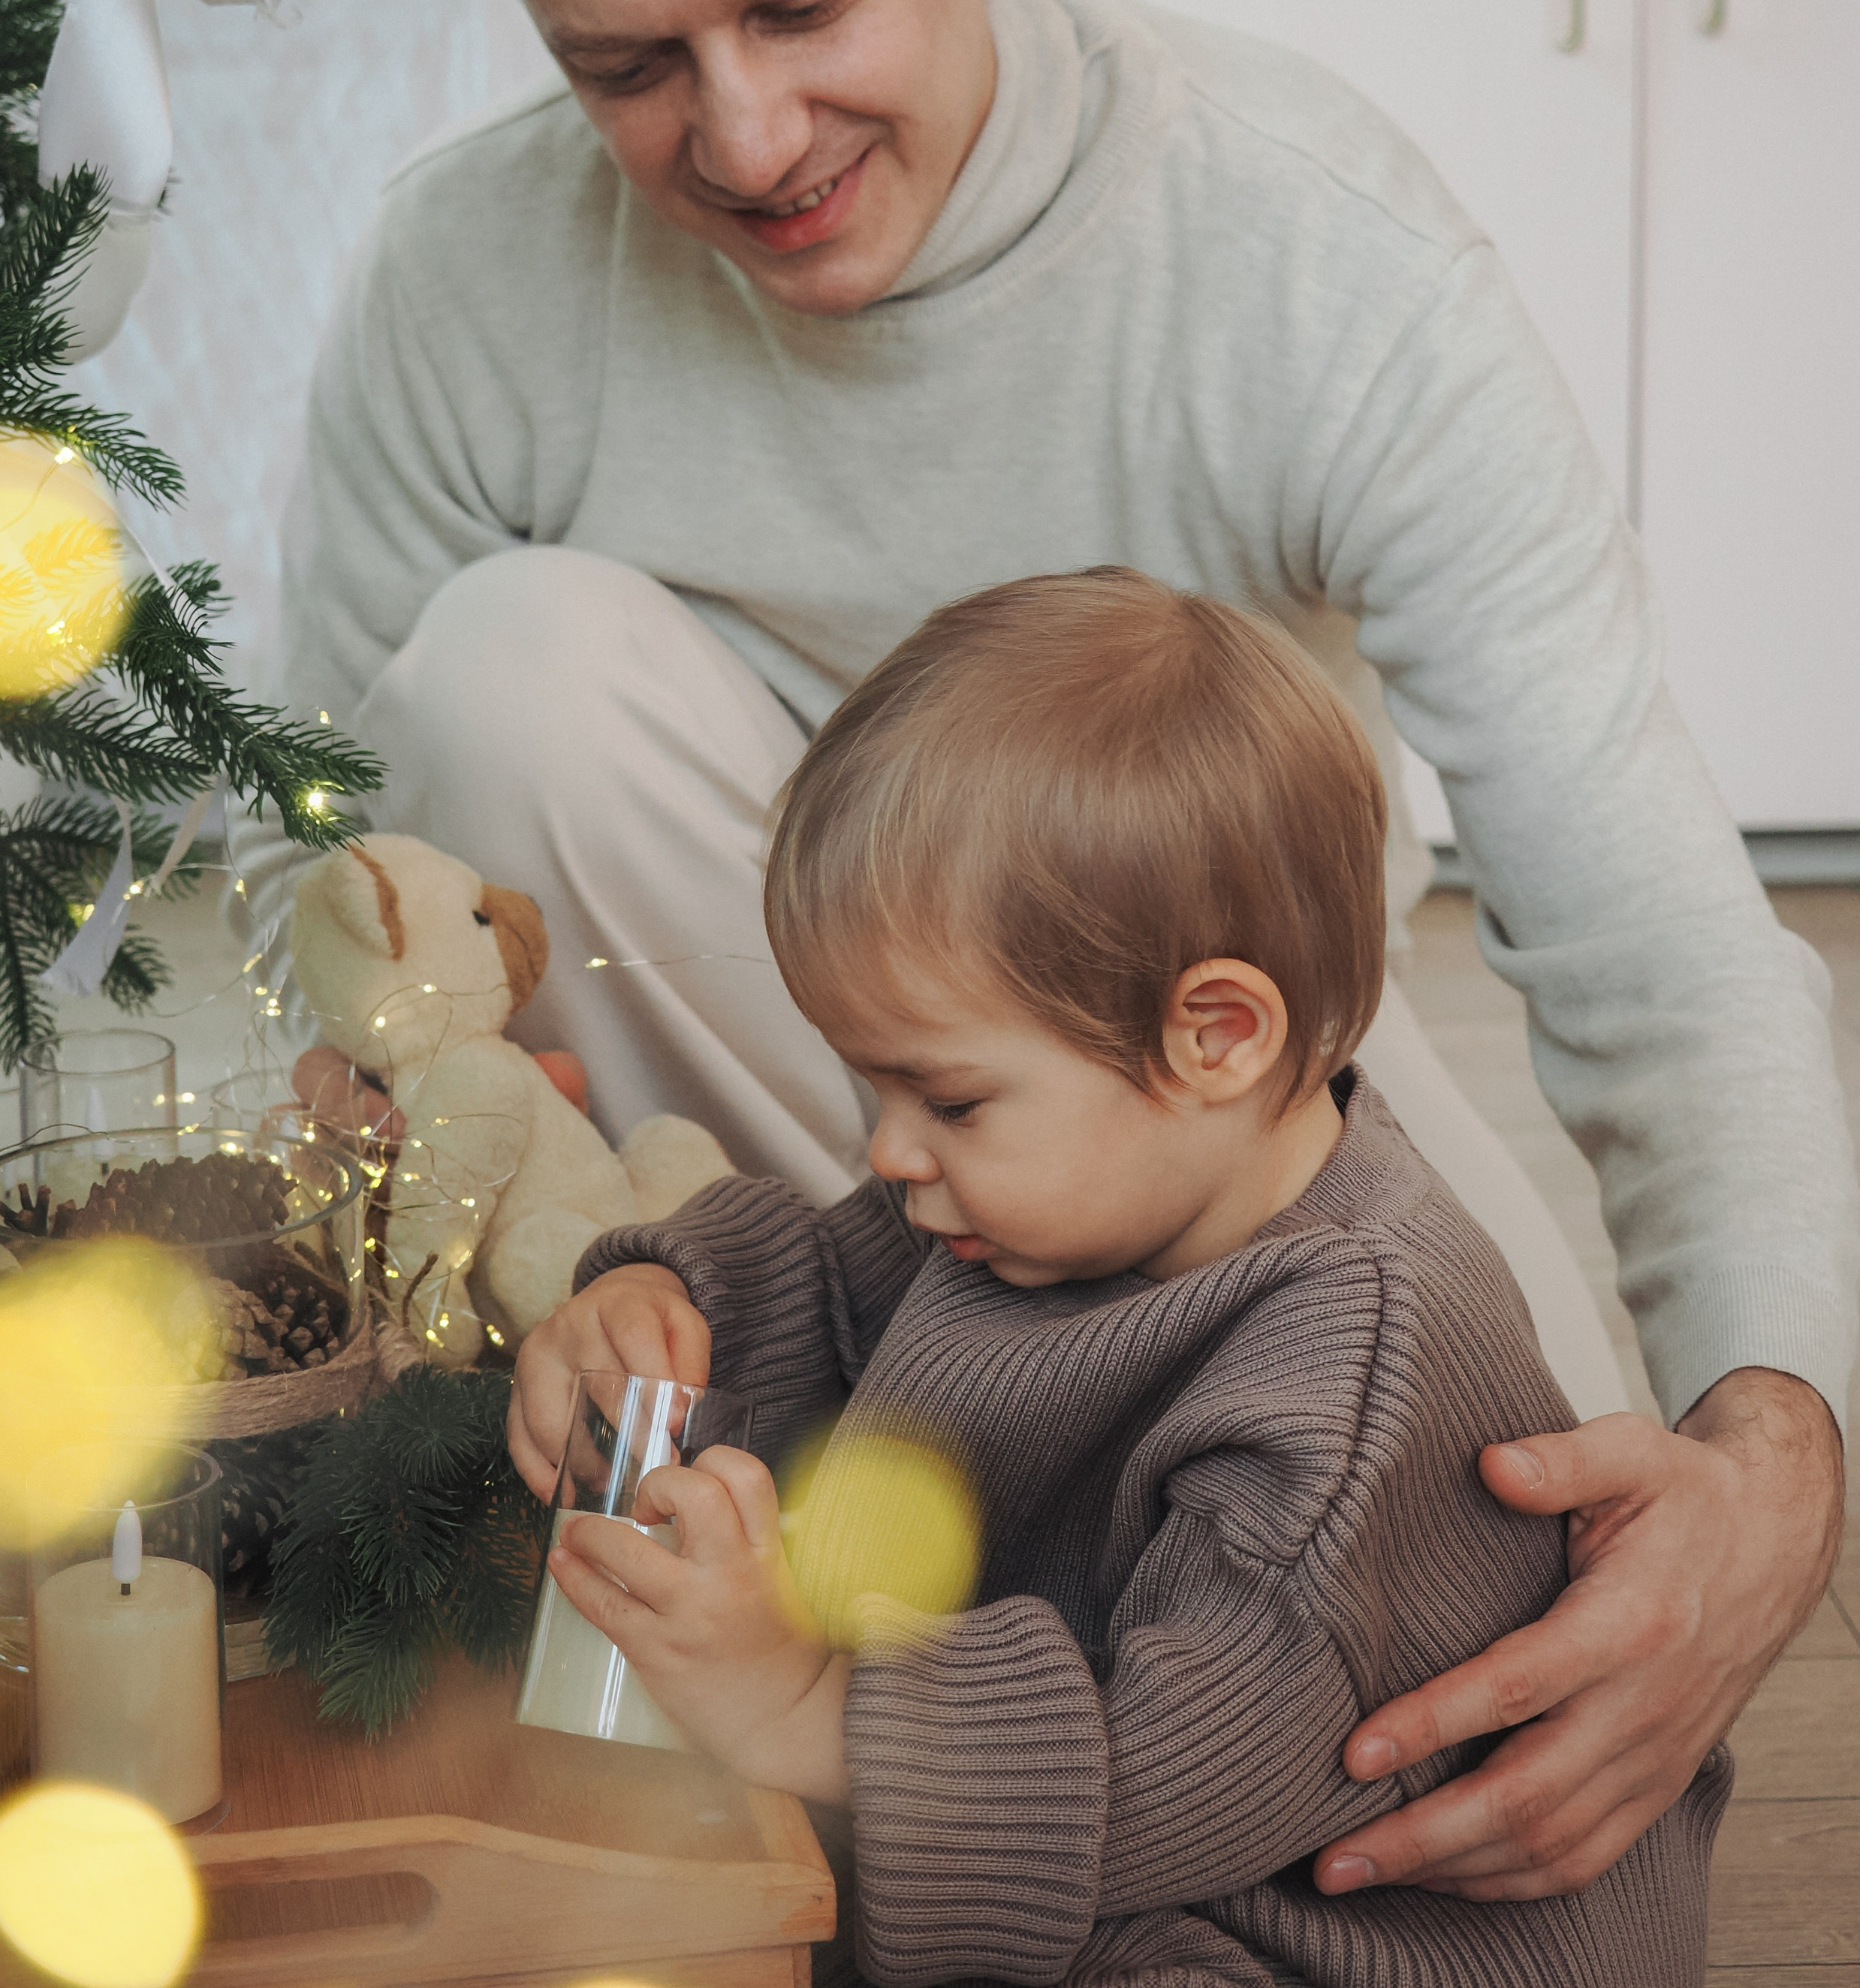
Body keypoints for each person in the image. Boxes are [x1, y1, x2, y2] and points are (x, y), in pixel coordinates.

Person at [255, 0, 1855, 1901]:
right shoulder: (471, 280)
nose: (748, 135)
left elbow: (1654, 950)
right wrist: (535, 1228)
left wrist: (1769, 1475)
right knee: (506, 670)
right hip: (814, 1118)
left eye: (809, 2)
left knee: (1495, 1598)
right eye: (627, 65)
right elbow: (353, 902)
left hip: (1229, 1096)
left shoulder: (1309, 249)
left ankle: (1007, 1679)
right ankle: (848, 1611)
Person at [509, 569, 1730, 1987]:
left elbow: (1168, 1779)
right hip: (1095, 1832)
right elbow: (842, 1289)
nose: (888, 1149)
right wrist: (666, 1299)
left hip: (1326, 1920)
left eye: (949, 1100)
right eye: (873, 1089)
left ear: (1215, 1035)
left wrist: (803, 1698)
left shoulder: (1351, 1367)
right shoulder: (1059, 1194)